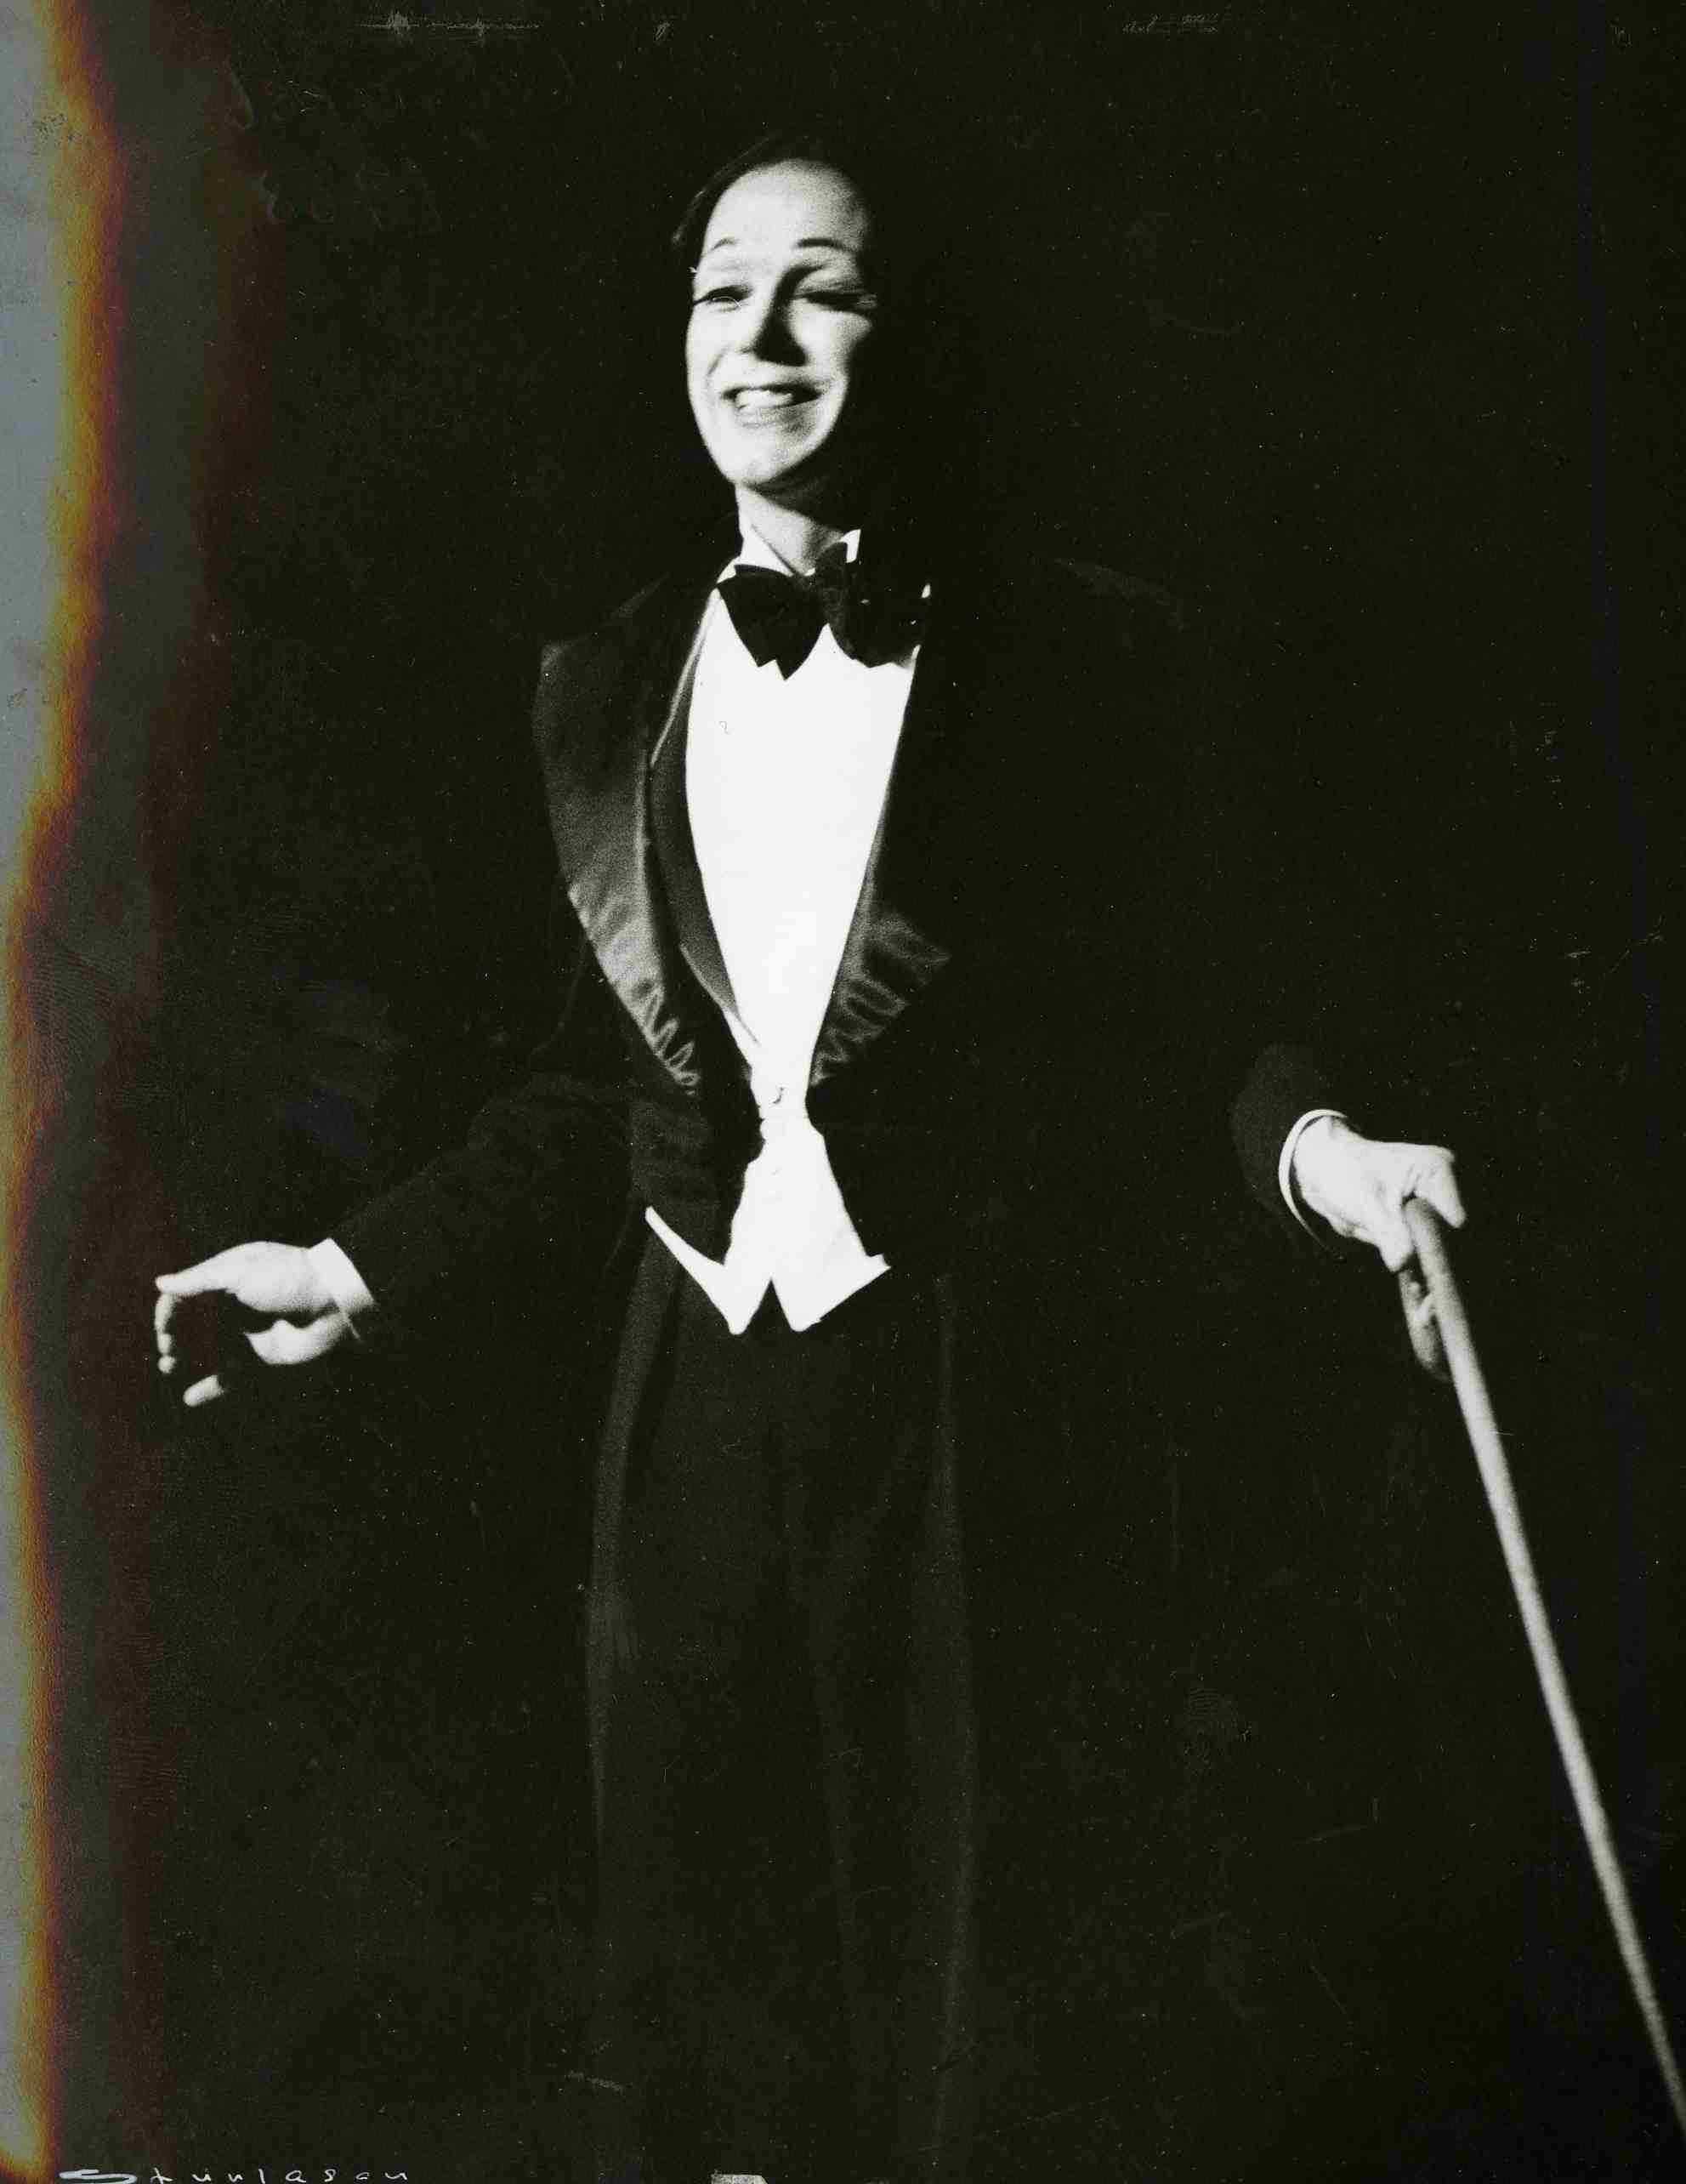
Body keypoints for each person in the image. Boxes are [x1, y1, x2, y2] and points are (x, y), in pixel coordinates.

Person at [154, 137, 1464, 2184]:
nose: (756, 336)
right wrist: (350, 1265)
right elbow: (596, 1094)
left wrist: (1332, 1162)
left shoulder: (1085, 655)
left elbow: (1190, 1023)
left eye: (818, 286)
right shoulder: (600, 687)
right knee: (696, 2013)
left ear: (897, 330)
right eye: (719, 290)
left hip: (967, 1402)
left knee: (973, 2020)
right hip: (684, 1403)